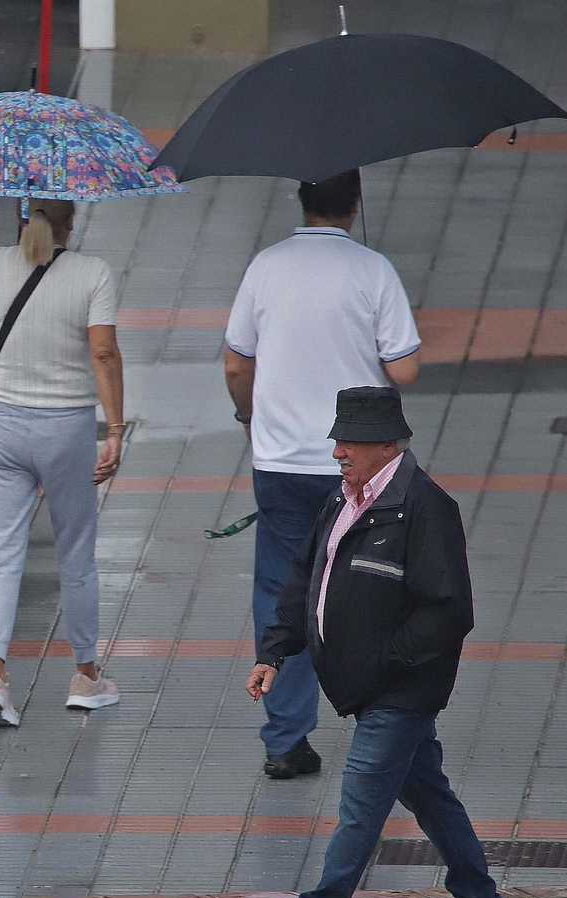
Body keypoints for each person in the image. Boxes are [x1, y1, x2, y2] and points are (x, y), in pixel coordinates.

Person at [247, 387, 509, 898]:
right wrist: (274, 651)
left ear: (387, 444)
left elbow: (449, 612)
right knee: (429, 794)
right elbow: (304, 582)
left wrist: (385, 663)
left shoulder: (425, 507)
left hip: (401, 689)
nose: (338, 451)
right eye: (337, 439)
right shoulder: (342, 502)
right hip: (372, 687)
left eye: (350, 441)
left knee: (363, 798)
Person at [223, 169, 423, 780]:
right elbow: (406, 371)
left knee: (280, 591)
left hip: (280, 461)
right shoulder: (374, 270)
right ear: (357, 202)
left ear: (301, 200)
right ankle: (380, 724)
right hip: (360, 461)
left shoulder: (265, 267)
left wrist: (250, 415)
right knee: (373, 582)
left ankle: (285, 738)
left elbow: (236, 363)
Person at [0, 200, 125, 728]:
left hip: (1, 425)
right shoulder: (91, 274)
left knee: (2, 553)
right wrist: (115, 429)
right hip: (65, 428)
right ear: (71, 219)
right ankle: (85, 676)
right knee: (76, 555)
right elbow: (103, 353)